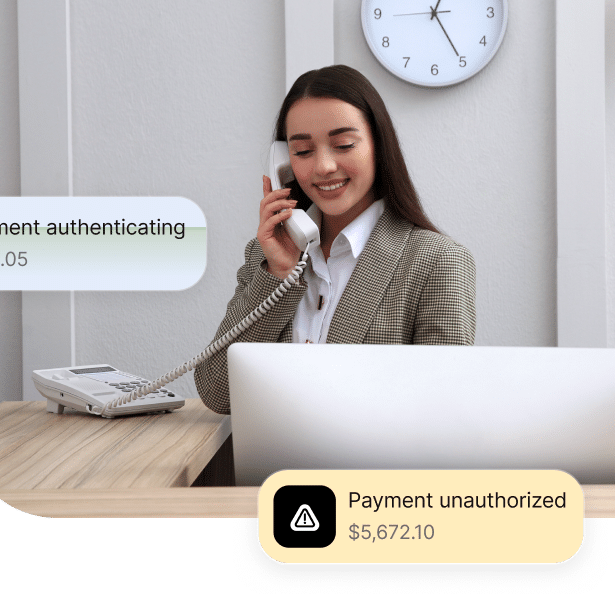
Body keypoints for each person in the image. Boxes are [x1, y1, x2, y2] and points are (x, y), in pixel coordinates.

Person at [196, 65, 476, 414]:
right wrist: (278, 275)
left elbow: (444, 411)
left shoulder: (437, 261)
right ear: (283, 161)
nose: (324, 166)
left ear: (378, 145)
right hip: (270, 469)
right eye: (301, 152)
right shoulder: (265, 256)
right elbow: (217, 393)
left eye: (343, 144)